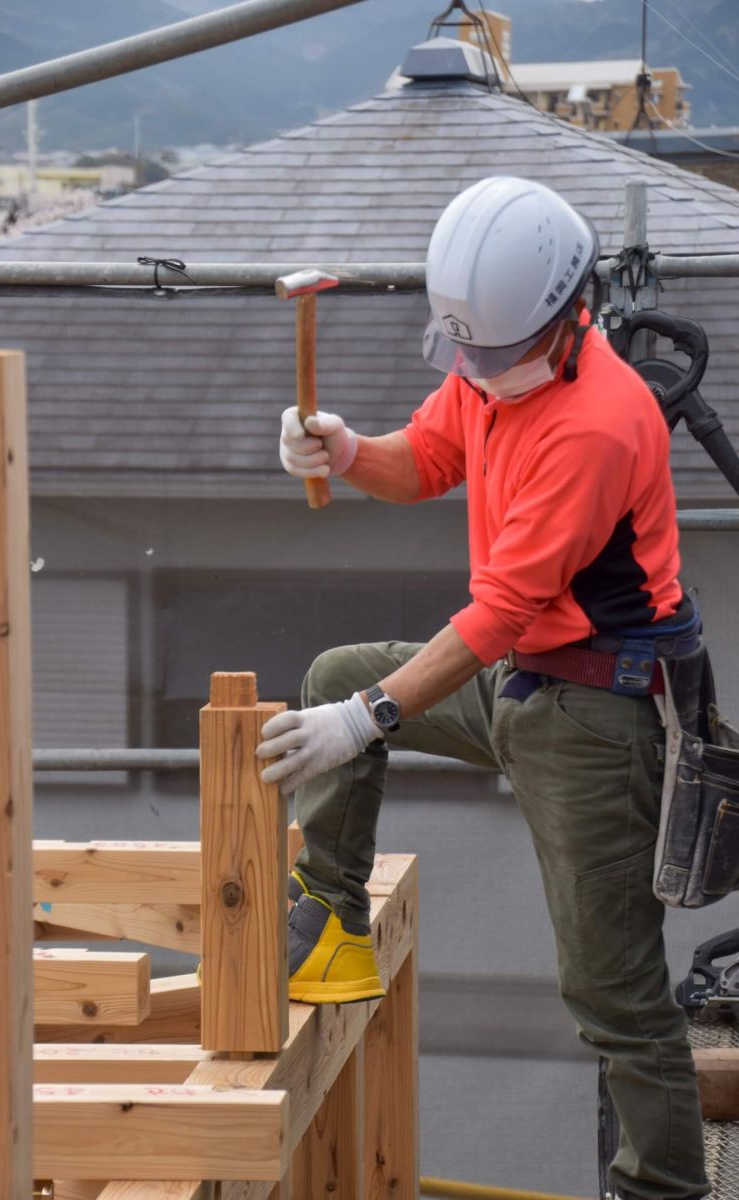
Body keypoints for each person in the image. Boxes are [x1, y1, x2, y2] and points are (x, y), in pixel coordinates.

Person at [256, 176, 709, 1200]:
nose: (477, 372)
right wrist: (343, 450)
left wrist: (367, 719)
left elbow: (499, 609)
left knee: (611, 990)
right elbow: (424, 458)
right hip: (523, 676)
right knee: (334, 674)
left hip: (601, 709)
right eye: (463, 351)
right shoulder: (491, 355)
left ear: (566, 314)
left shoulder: (596, 423)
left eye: (495, 355)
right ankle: (331, 925)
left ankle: (662, 1190)